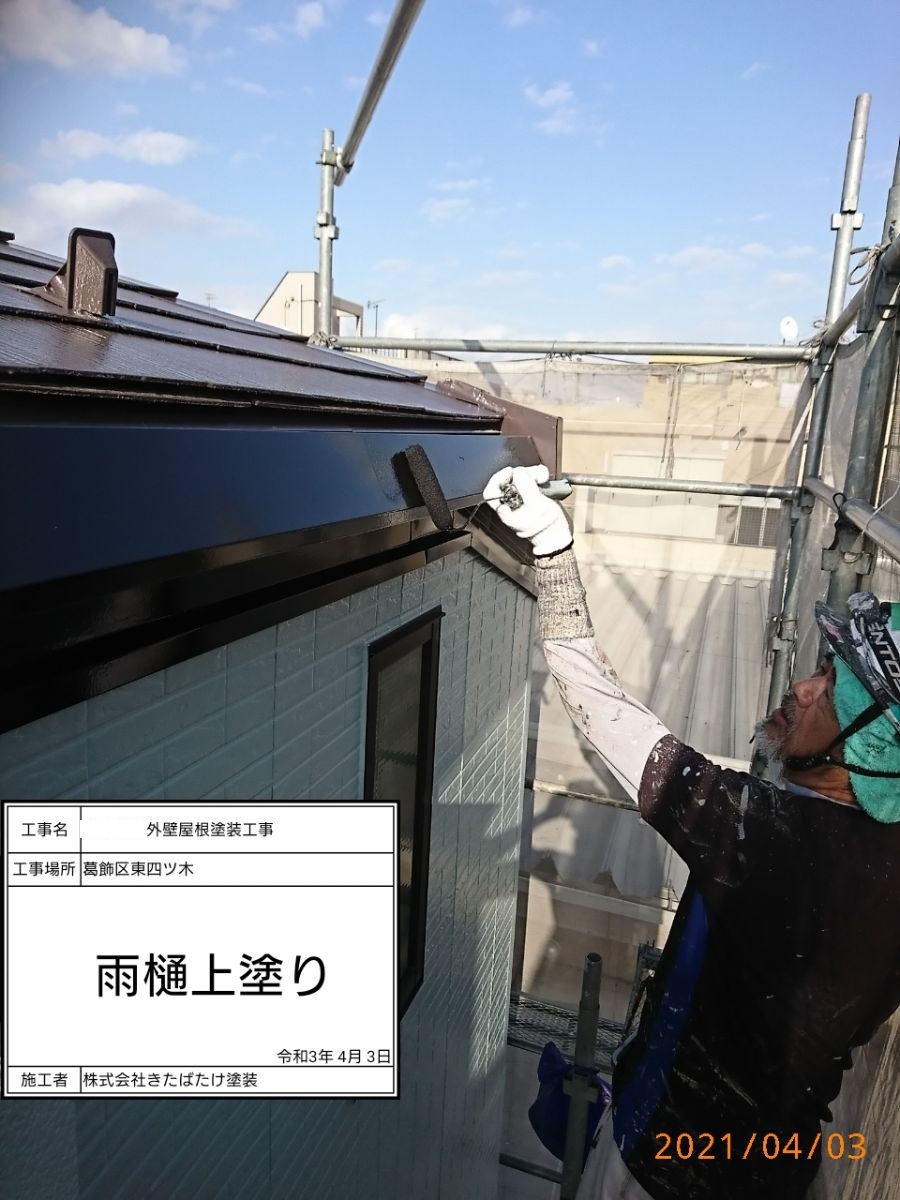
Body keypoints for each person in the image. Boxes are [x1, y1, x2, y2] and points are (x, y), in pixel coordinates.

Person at [483, 464, 900, 1200]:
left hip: (673, 1171)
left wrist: (552, 552)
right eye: (823, 667)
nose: (804, 686)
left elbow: (601, 709)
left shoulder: (779, 842)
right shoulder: (874, 858)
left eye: (835, 686)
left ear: (878, 745)